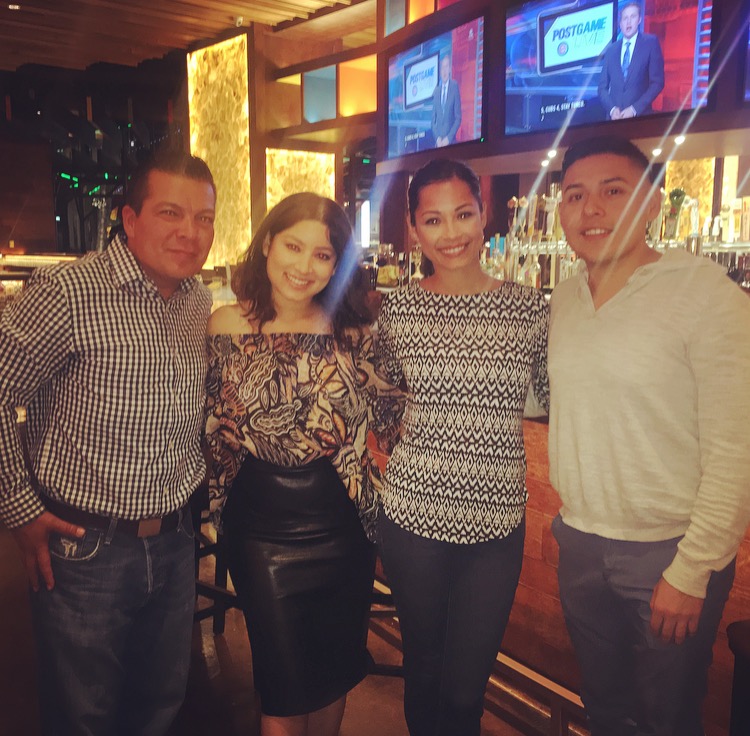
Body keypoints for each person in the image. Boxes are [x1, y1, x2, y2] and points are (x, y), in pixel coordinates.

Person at [0, 148, 217, 734]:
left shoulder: (198, 300)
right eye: (171, 213)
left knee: (161, 706)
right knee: (83, 715)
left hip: (176, 541)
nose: (190, 232)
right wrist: (19, 509)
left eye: (203, 218)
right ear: (130, 218)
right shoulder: (67, 292)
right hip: (85, 549)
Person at [548, 135, 750, 735]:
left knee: (668, 718)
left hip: (669, 551)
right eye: (575, 195)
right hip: (580, 543)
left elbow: (736, 448)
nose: (591, 209)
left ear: (653, 203)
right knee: (605, 710)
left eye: (613, 191)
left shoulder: (706, 294)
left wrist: (693, 570)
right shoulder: (564, 297)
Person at [205, 192, 400, 736]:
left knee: (333, 676)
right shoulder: (224, 325)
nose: (304, 266)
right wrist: (219, 509)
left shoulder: (356, 334)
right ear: (268, 243)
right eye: (294, 246)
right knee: (284, 688)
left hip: (344, 529)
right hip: (260, 531)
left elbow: (395, 418)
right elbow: (212, 427)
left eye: (323, 254)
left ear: (337, 266)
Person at [375, 159, 549, 736]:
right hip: (412, 516)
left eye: (463, 215)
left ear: (484, 214)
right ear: (413, 228)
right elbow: (381, 403)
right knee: (424, 671)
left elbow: (551, 397)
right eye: (433, 220)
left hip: (496, 522)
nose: (451, 233)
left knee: (466, 690)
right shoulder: (397, 310)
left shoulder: (529, 308)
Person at [597, 1, 664, 120]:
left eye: (632, 17)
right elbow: (602, 88)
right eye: (625, 18)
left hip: (641, 119)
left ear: (639, 20)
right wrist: (612, 109)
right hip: (614, 121)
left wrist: (634, 109)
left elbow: (657, 83)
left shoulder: (650, 43)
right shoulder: (611, 50)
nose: (628, 22)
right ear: (620, 24)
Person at [431, 54, 462, 147]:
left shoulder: (454, 86)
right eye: (442, 68)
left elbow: (458, 118)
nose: (444, 71)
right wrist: (438, 139)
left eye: (446, 67)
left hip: (451, 143)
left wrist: (448, 138)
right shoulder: (436, 91)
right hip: (438, 144)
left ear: (449, 69)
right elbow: (433, 121)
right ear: (440, 71)